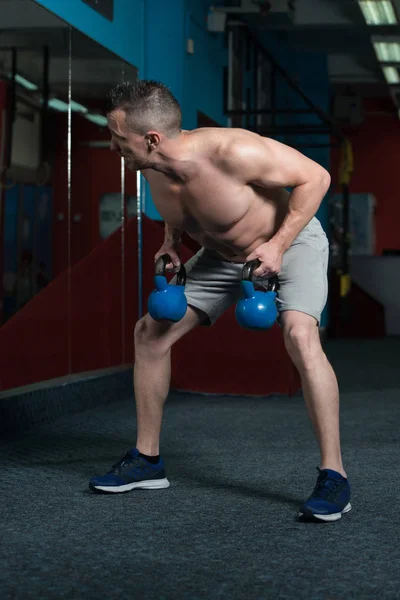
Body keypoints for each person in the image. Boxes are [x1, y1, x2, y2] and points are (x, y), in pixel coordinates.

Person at [89, 80, 351, 522]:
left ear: (152, 139)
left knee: (300, 335)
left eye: (118, 138)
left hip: (289, 241)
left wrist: (278, 246)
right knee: (150, 334)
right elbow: (180, 211)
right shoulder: (149, 165)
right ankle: (147, 460)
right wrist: (171, 242)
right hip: (221, 257)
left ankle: (334, 476)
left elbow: (317, 177)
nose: (114, 146)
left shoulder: (233, 151)